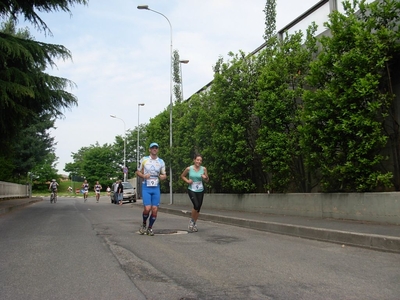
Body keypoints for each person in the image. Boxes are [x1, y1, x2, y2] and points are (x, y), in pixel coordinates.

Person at [136, 142, 167, 236]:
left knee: (154, 209)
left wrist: (163, 177)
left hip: (156, 187)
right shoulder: (144, 159)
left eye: (156, 148)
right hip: (146, 187)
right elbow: (137, 172)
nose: (154, 149)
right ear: (149, 149)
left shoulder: (161, 161)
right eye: (152, 148)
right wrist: (144, 175)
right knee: (147, 208)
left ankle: (150, 228)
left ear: (157, 150)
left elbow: (164, 174)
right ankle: (144, 224)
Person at [180, 154, 209, 232]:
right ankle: (192, 221)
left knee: (198, 207)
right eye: (197, 160)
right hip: (192, 189)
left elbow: (207, 180)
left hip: (200, 190)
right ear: (194, 160)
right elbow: (182, 176)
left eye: (200, 160)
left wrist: (205, 177)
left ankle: (194, 223)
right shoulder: (189, 168)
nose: (199, 162)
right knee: (196, 205)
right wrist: (187, 181)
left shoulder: (204, 169)